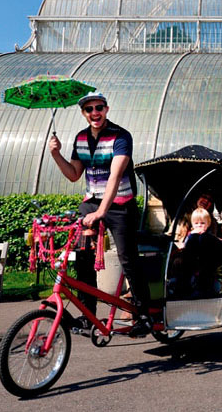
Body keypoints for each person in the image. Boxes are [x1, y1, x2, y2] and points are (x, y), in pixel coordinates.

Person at [48, 91, 152, 337]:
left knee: (128, 258)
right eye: (89, 109)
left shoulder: (121, 136)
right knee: (83, 256)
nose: (94, 113)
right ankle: (89, 315)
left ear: (106, 109)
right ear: (83, 113)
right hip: (91, 202)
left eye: (99, 108)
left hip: (120, 204)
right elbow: (74, 174)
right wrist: (55, 154)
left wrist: (102, 212)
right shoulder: (81, 138)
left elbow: (115, 177)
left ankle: (144, 314)